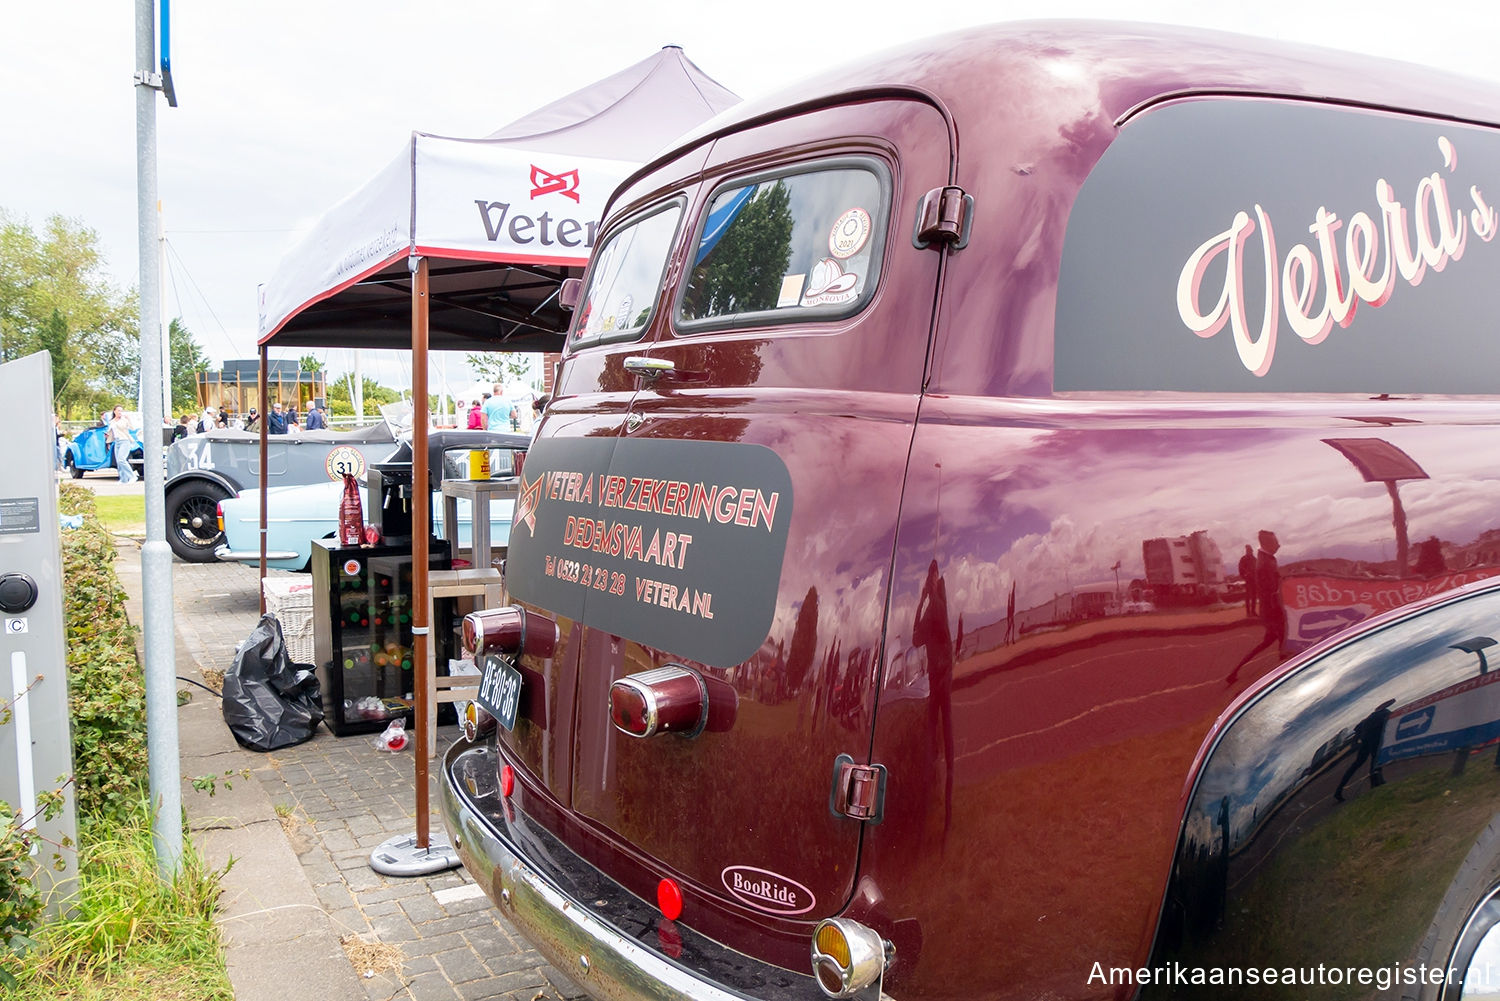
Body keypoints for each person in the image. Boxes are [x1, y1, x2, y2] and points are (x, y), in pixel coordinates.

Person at [104, 405, 137, 483]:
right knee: (118, 461)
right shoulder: (112, 421)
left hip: (124, 440)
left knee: (122, 459)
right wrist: (107, 438)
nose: (120, 412)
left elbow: (132, 428)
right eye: (118, 410)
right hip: (116, 441)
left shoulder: (123, 420)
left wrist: (128, 420)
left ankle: (132, 476)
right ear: (114, 411)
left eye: (121, 411)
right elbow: (112, 432)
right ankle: (123, 479)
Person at [1238, 544, 1258, 616]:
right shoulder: (1243, 559)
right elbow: (1240, 568)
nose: (1249, 551)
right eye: (1248, 550)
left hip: (1254, 579)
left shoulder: (1254, 559)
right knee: (1248, 596)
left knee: (1254, 596)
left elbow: (1257, 568)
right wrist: (1245, 575)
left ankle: (1253, 611)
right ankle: (1248, 612)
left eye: (1250, 550)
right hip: (1248, 580)